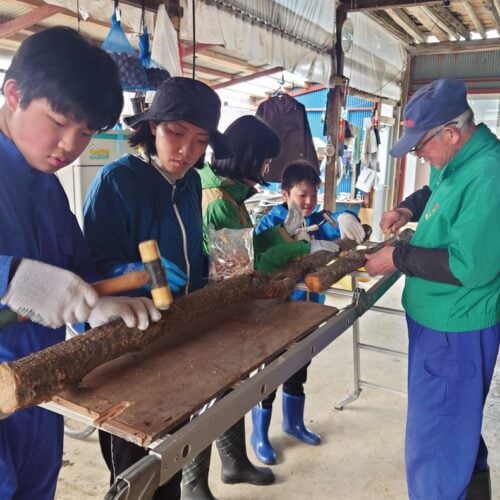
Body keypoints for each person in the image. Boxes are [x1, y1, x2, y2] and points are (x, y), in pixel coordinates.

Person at [83, 77, 265, 500]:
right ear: (152, 128)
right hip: (126, 344)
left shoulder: (190, 182)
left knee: (171, 455)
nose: (187, 150)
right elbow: (90, 272)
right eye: (176, 134)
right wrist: (139, 272)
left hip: (177, 332)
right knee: (136, 465)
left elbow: (189, 251)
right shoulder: (117, 182)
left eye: (200, 140)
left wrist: (218, 268)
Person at [0, 27, 161, 500]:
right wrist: (10, 277)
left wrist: (100, 299)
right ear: (13, 94)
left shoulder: (46, 185)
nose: (69, 145)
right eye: (57, 121)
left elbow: (76, 265)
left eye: (86, 133)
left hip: (39, 386)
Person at [364, 78, 500, 500]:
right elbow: (437, 187)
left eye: (420, 146)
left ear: (451, 133)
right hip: (439, 322)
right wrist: (408, 207)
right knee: (458, 430)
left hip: (453, 330)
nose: (418, 154)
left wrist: (398, 257)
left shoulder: (490, 174)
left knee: (436, 448)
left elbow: (467, 266)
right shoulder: (462, 158)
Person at [251, 159, 365, 465]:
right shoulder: (270, 224)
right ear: (285, 195)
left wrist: (347, 216)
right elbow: (261, 261)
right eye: (302, 195)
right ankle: (259, 434)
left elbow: (339, 222)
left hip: (307, 310)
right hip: (274, 314)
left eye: (314, 195)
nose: (309, 202)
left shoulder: (319, 218)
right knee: (269, 372)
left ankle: (293, 424)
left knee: (299, 367)